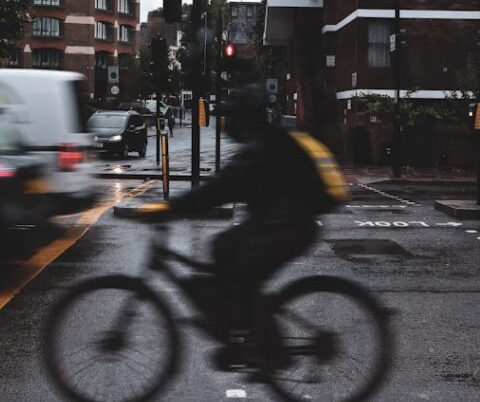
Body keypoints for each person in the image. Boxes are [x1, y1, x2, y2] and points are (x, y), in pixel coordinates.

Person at [137, 85, 347, 367]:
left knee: (235, 262)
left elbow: (218, 189)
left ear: (243, 118)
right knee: (227, 253)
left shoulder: (259, 148)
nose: (227, 123)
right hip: (285, 223)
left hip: (288, 226)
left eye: (232, 116)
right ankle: (242, 330)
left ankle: (269, 351)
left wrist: (172, 207)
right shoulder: (266, 141)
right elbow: (222, 188)